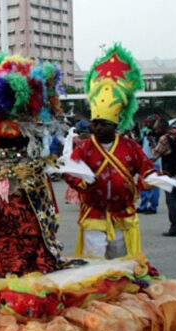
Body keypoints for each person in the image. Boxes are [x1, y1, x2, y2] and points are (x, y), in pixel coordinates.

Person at [63, 44, 158, 259]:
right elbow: (70, 171)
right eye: (94, 123)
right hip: (94, 213)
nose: (96, 128)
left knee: (120, 259)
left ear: (114, 125)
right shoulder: (85, 147)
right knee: (94, 260)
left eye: (102, 124)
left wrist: (151, 178)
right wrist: (83, 182)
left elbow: (146, 166)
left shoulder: (129, 146)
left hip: (122, 214)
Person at [137, 116, 161, 214]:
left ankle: (153, 207)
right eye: (147, 122)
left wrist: (152, 140)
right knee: (143, 185)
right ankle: (143, 205)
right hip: (144, 162)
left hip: (153, 163)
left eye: (150, 122)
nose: (147, 124)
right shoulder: (147, 133)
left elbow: (157, 150)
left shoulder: (158, 135)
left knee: (153, 186)